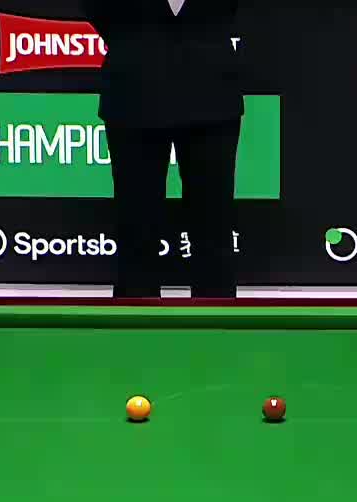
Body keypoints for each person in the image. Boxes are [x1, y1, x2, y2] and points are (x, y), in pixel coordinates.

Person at [82, 0, 243, 299]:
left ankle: (217, 322)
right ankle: (135, 322)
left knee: (214, 226)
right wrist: (135, 40)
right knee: (136, 225)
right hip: (134, 88)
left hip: (212, 93)